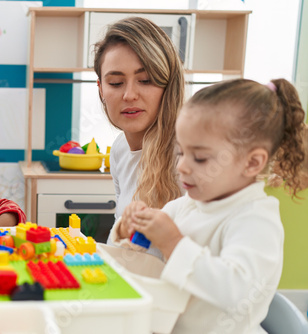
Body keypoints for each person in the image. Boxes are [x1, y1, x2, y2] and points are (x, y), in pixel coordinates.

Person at [110, 78, 306, 333]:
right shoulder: (186, 205)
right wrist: (130, 229)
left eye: (200, 157)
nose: (181, 166)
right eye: (181, 153)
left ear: (252, 163)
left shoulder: (256, 219)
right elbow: (145, 255)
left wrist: (173, 242)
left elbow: (237, 291)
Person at [93, 17, 185, 243]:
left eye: (145, 80)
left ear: (168, 84)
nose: (129, 95)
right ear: (101, 88)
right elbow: (125, 241)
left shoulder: (188, 155)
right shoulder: (119, 149)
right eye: (116, 83)